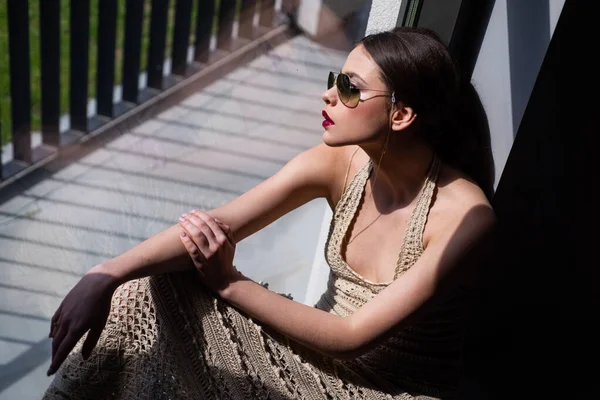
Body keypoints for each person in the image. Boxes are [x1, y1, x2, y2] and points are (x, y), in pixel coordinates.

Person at [43, 26, 496, 400]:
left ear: (401, 115)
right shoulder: (338, 162)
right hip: (313, 359)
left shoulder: (465, 216)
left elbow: (353, 336)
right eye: (335, 78)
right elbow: (216, 225)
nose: (328, 96)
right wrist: (105, 274)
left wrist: (228, 282)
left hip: (390, 391)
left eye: (349, 88)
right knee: (143, 288)